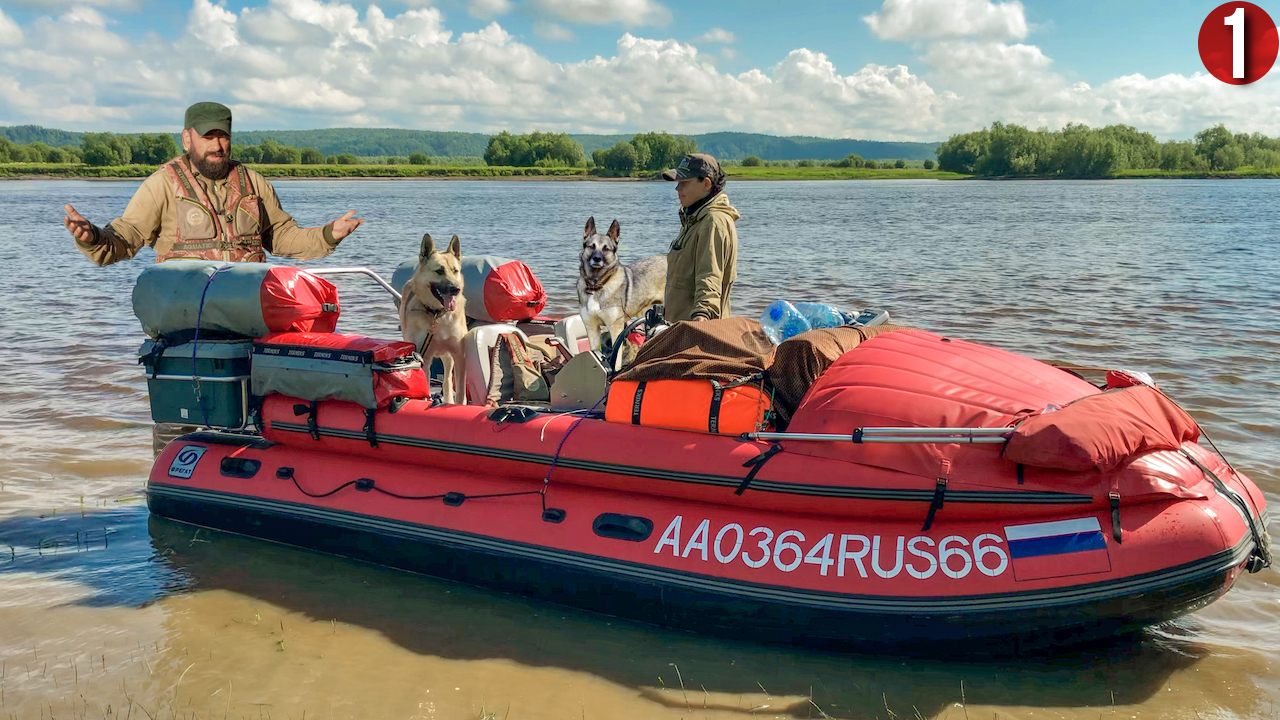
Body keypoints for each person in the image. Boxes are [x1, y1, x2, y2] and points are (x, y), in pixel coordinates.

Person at [64, 102, 363, 266]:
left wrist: (328, 234)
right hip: (185, 308)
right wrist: (92, 237)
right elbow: (125, 238)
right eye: (207, 136)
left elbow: (283, 238)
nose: (217, 145)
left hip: (246, 306)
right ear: (187, 138)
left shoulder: (254, 183)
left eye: (223, 136)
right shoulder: (162, 185)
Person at [661, 152, 739, 322]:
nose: (677, 189)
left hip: (695, 334)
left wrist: (702, 315)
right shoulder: (695, 219)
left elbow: (710, 277)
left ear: (706, 183)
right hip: (679, 329)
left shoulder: (713, 222)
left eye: (684, 183)